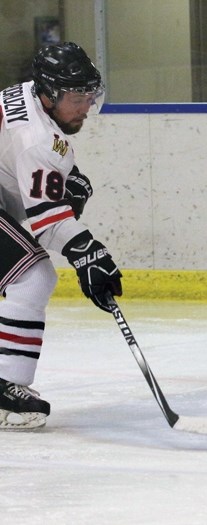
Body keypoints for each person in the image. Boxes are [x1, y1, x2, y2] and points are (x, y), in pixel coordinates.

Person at [0, 42, 123, 430]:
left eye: (91, 95)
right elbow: (48, 223)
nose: (86, 106)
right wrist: (89, 253)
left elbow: (32, 167)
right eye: (78, 97)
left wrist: (67, 180)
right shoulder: (35, 138)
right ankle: (4, 386)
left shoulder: (31, 99)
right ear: (49, 94)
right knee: (33, 275)